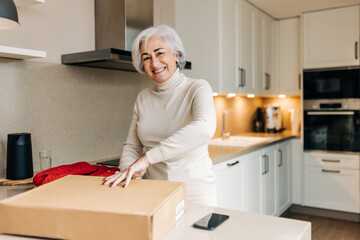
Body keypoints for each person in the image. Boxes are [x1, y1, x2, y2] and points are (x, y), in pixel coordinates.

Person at [103, 25, 217, 206]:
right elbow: (132, 145)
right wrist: (128, 172)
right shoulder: (143, 97)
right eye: (146, 58)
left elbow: (203, 129)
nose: (154, 63)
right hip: (152, 192)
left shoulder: (197, 88)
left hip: (194, 192)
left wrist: (146, 159)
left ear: (177, 55)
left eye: (160, 53)